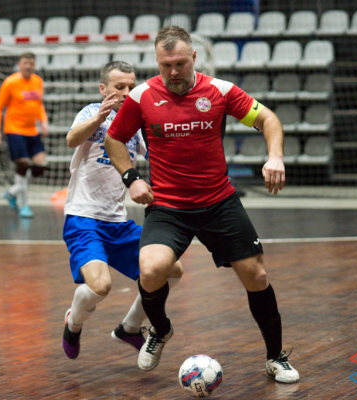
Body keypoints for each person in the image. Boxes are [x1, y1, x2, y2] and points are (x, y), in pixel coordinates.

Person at [104, 27, 299, 383]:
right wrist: (131, 178)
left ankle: (275, 357)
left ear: (194, 57)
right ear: (157, 62)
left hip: (218, 202)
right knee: (151, 270)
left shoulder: (220, 91)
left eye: (180, 63)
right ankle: (160, 330)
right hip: (168, 207)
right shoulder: (142, 96)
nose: (173, 71)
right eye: (166, 65)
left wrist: (275, 157)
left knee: (256, 276)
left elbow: (267, 119)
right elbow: (114, 137)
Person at [62, 60, 183, 361]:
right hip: (83, 219)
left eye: (132, 86)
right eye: (120, 87)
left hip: (118, 222)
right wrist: (99, 118)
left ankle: (129, 327)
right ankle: (73, 323)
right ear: (103, 89)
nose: (127, 92)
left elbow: (158, 155)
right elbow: (71, 139)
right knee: (101, 286)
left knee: (172, 271)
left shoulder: (135, 125)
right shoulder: (91, 112)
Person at [0, 52, 49, 218]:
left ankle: (11, 192)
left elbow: (38, 104)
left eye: (31, 63)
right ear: (19, 64)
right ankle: (24, 206)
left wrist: (44, 121)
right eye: (25, 63)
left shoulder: (38, 81)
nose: (28, 66)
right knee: (23, 167)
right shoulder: (10, 82)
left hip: (32, 131)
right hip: (14, 130)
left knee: (40, 166)